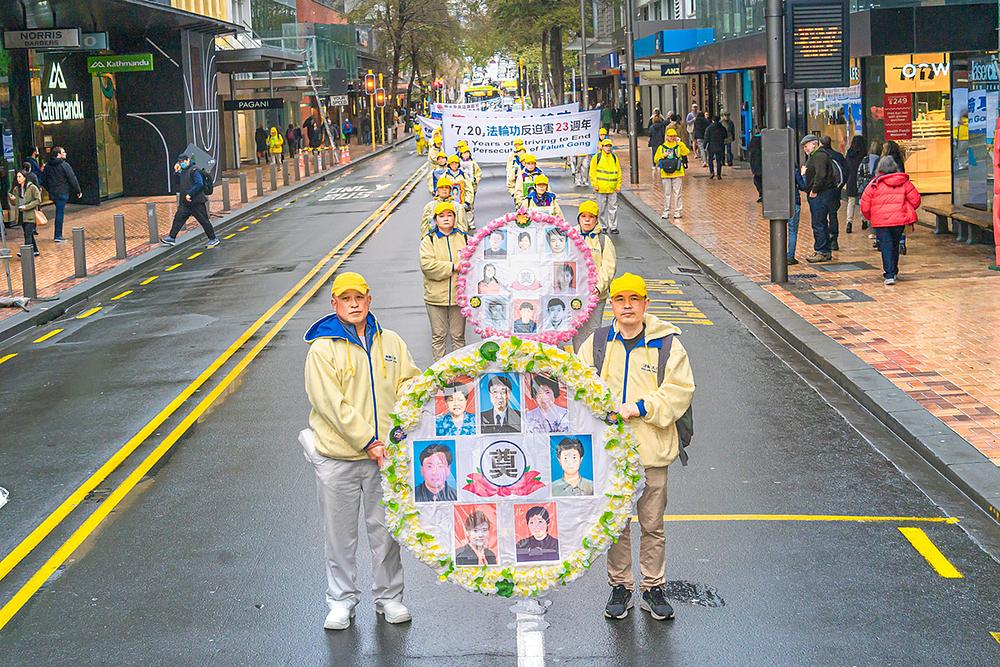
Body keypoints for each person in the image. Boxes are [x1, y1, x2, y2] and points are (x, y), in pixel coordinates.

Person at [301, 271, 421, 630]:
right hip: (339, 458)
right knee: (340, 535)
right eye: (346, 299)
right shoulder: (322, 350)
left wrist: (413, 406)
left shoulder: (392, 342)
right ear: (334, 304)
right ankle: (341, 601)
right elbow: (330, 404)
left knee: (386, 532)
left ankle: (390, 598)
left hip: (384, 457)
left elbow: (410, 382)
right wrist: (368, 440)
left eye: (359, 298)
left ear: (370, 300)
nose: (354, 304)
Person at [578, 273, 695, 622]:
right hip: (610, 453)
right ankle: (621, 586)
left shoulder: (667, 344)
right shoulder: (597, 343)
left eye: (634, 299)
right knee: (615, 524)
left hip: (652, 449)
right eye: (620, 299)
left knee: (652, 523)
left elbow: (680, 390)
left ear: (645, 303)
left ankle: (653, 586)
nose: (627, 306)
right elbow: (578, 383)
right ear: (611, 305)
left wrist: (641, 407)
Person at [860, 156, 920, 286]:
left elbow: (864, 205)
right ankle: (894, 270)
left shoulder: (874, 184)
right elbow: (916, 200)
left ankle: (889, 274)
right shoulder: (904, 182)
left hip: (881, 222)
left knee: (886, 246)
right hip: (899, 220)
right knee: (894, 244)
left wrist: (870, 216)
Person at [419, 201, 468, 361]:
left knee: (458, 337)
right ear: (435, 219)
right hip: (435, 298)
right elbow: (427, 266)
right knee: (439, 336)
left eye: (449, 215)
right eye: (441, 216)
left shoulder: (464, 238)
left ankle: (461, 372)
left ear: (455, 218)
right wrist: (453, 267)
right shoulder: (429, 241)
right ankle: (439, 377)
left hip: (458, 297)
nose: (446, 219)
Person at [573, 200, 617, 348]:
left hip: (595, 296)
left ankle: (592, 365)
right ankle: (578, 363)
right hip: (574, 296)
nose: (587, 220)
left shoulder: (603, 241)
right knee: (576, 331)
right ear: (578, 218)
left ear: (596, 219)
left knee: (592, 330)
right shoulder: (570, 236)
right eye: (583, 216)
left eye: (591, 217)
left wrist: (598, 288)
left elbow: (609, 268)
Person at [160, 154, 220, 248]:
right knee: (178, 219)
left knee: (204, 221)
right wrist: (176, 171)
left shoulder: (194, 170)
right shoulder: (183, 171)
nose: (181, 163)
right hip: (185, 203)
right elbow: (178, 182)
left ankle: (213, 239)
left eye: (183, 161)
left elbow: (199, 184)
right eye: (180, 162)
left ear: (188, 160)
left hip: (196, 202)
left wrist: (190, 194)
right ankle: (171, 238)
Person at [800, 134, 837, 263]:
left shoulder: (819, 156)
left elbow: (821, 175)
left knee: (818, 223)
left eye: (806, 146)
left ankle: (821, 251)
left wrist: (814, 190)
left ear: (814, 143)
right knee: (820, 222)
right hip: (821, 193)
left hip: (820, 194)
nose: (805, 149)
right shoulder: (817, 156)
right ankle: (824, 250)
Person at [41, 146, 81, 242]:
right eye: (63, 152)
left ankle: (58, 235)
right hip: (62, 192)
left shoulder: (48, 166)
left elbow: (44, 180)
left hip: (53, 193)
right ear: (58, 154)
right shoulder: (64, 165)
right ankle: (58, 235)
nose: (65, 153)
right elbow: (72, 178)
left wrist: (49, 189)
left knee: (59, 211)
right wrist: (78, 190)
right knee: (60, 213)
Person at [653, 128, 690, 220]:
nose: (672, 138)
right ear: (667, 137)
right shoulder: (661, 147)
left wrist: (680, 143)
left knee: (678, 193)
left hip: (677, 172)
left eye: (674, 136)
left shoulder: (678, 146)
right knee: (667, 193)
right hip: (665, 173)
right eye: (670, 136)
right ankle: (666, 211)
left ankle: (678, 211)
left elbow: (686, 152)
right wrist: (663, 155)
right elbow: (655, 159)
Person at [819, 135, 848, 251]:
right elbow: (846, 172)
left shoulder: (819, 156)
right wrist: (839, 186)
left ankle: (824, 239)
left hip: (822, 190)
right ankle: (834, 239)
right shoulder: (838, 156)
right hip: (835, 191)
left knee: (821, 216)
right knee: (833, 214)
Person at [589, 139, 622, 234]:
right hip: (600, 188)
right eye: (606, 146)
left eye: (609, 146)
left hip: (612, 188)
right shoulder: (597, 157)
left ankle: (613, 227)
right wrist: (595, 184)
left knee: (613, 208)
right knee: (601, 208)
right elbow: (592, 172)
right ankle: (602, 226)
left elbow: (619, 172)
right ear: (602, 147)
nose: (608, 148)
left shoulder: (614, 158)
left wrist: (618, 185)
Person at [881, 140, 908, 255]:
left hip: (887, 195)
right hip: (900, 194)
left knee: (889, 219)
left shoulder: (884, 161)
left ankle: (889, 243)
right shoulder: (900, 161)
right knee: (900, 219)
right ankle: (901, 242)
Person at [8, 170, 41, 257]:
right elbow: (15, 204)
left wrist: (27, 207)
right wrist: (12, 199)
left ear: (25, 178)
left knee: (27, 233)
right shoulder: (16, 189)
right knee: (28, 233)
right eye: (17, 177)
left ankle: (25, 252)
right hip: (21, 215)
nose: (18, 179)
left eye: (20, 177)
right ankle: (35, 251)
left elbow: (38, 200)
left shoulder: (32, 188)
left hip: (30, 214)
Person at [855, 140, 882, 234]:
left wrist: (860, 186)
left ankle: (866, 222)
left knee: (867, 206)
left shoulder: (865, 159)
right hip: (877, 186)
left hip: (866, 186)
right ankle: (874, 228)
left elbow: (859, 173)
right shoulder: (882, 160)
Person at [844, 135, 867, 233]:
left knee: (851, 201)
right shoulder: (864, 154)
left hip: (851, 180)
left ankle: (849, 222)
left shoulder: (849, 154)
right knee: (863, 201)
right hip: (861, 180)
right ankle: (864, 220)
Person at [748, 129, 763, 203]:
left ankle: (762, 193)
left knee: (757, 179)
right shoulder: (767, 139)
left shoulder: (754, 139)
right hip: (765, 164)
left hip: (757, 164)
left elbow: (750, 150)